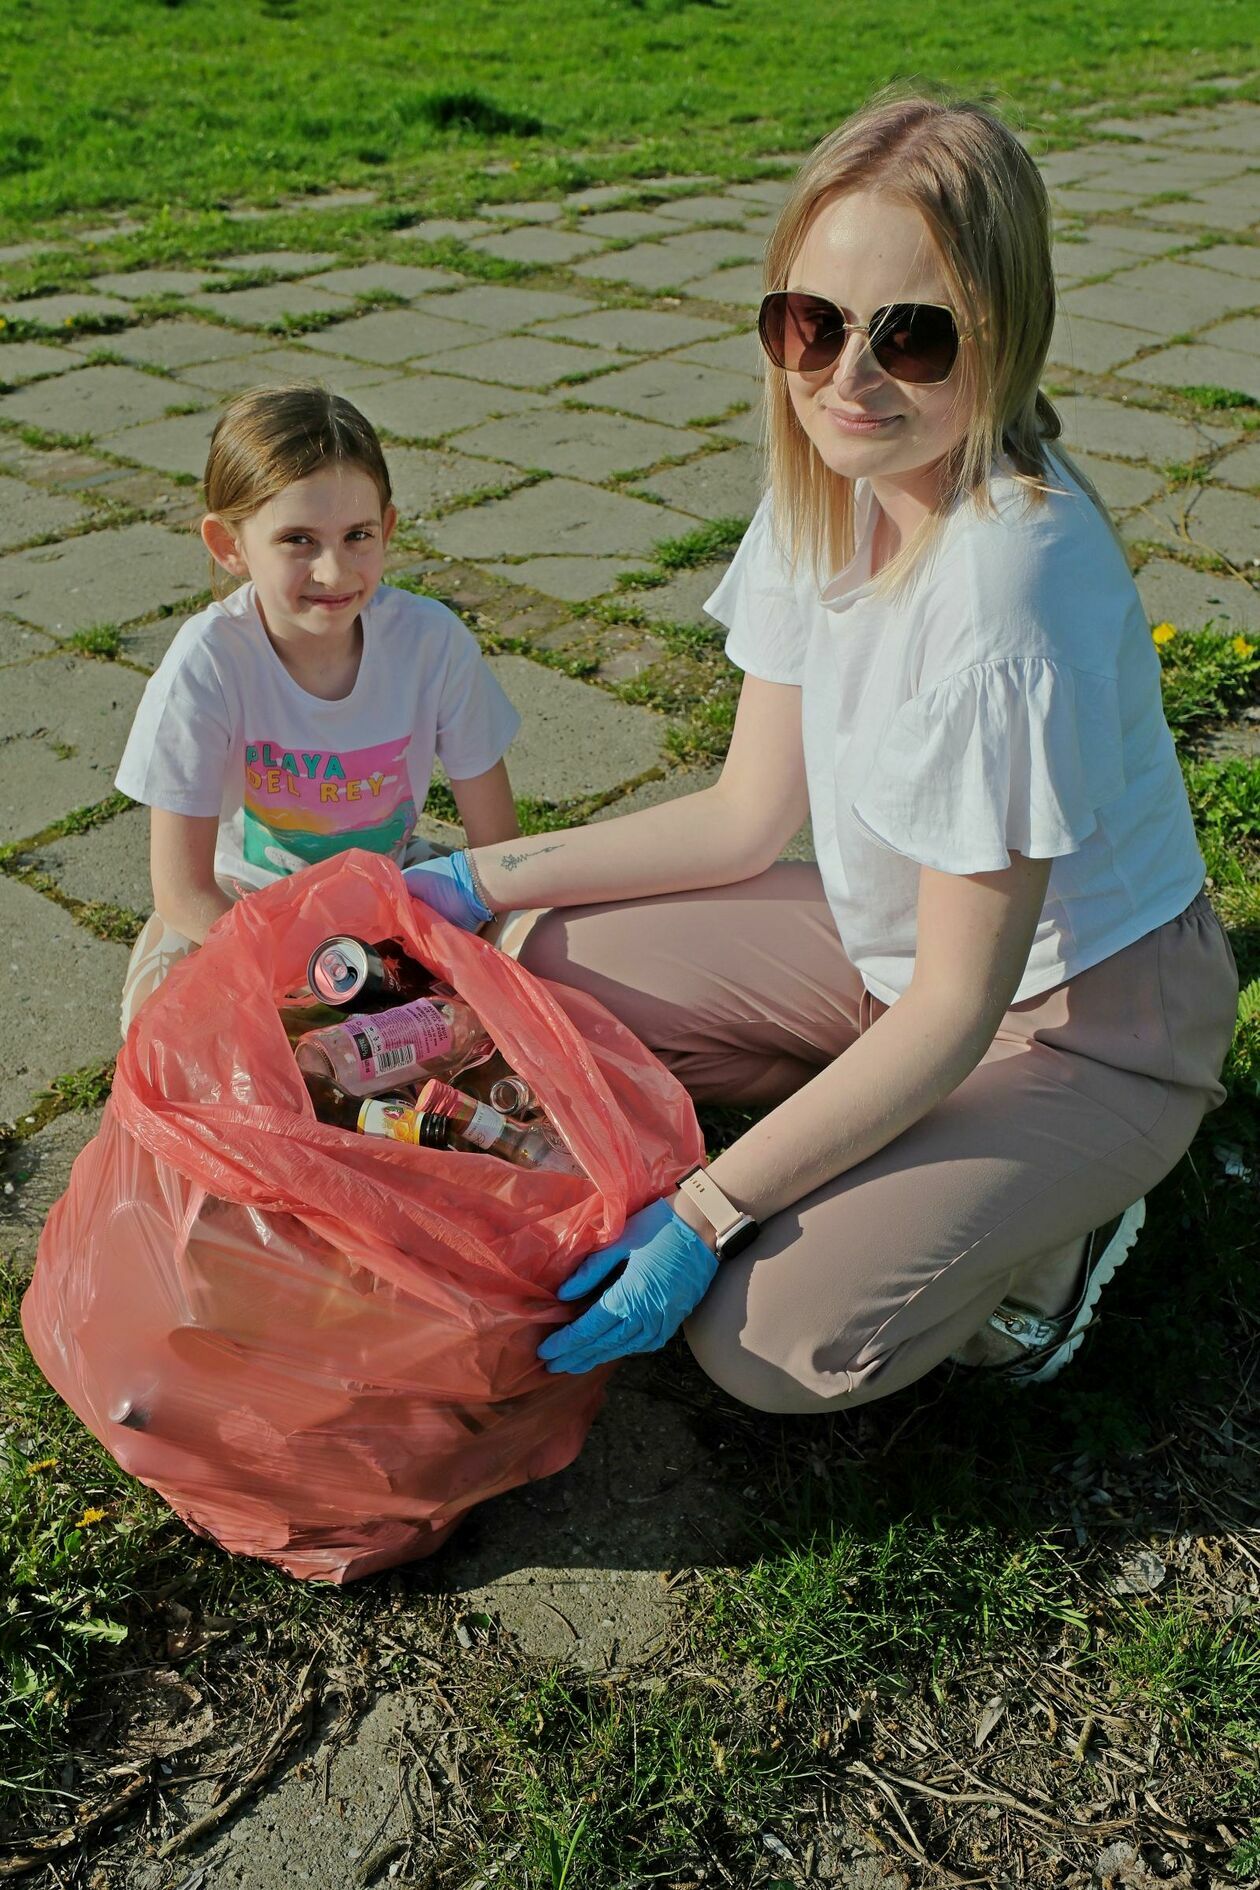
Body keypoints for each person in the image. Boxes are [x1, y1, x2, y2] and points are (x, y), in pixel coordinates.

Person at [404, 89, 1240, 1408]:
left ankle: (1051, 1248)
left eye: (911, 337)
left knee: (766, 1340)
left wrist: (708, 1206)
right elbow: (745, 816)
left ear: (1006, 336)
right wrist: (474, 879)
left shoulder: (1009, 589)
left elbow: (967, 1009)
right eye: (809, 324)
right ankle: (893, 1133)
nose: (847, 378)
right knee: (542, 963)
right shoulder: (829, 488)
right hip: (897, 956)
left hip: (1087, 1023)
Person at [115, 384, 521, 1034]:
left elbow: (498, 849)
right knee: (167, 1029)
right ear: (229, 545)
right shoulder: (209, 661)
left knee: (538, 960)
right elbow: (184, 891)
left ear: (387, 527)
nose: (334, 572)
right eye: (298, 539)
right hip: (245, 902)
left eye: (357, 535)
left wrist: (477, 969)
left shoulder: (430, 642)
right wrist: (315, 973)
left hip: (394, 889)